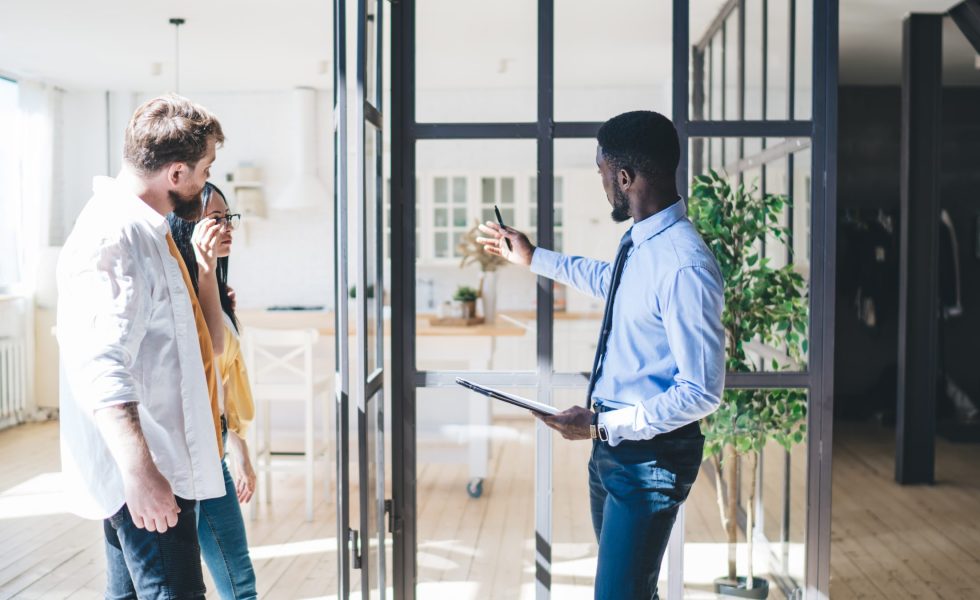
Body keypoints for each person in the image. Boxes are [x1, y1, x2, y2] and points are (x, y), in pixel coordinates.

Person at [477, 110, 725, 600]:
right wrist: (532, 257)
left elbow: (701, 391)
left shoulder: (683, 264)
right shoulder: (641, 242)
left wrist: (599, 426)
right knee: (634, 592)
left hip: (648, 460)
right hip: (611, 449)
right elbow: (606, 282)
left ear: (625, 178)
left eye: (602, 172)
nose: (602, 181)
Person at [57, 94, 226, 599]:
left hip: (157, 465)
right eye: (204, 169)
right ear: (176, 174)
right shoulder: (118, 234)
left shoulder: (143, 230)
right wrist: (141, 473)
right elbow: (103, 363)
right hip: (150, 471)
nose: (205, 181)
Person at [168, 182, 258, 599]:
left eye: (228, 218)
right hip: (189, 454)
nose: (226, 228)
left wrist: (239, 451)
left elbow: (220, 381)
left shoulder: (217, 289)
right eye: (214, 219)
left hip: (214, 446)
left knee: (238, 579)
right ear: (185, 227)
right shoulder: (184, 287)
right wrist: (206, 273)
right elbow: (214, 349)